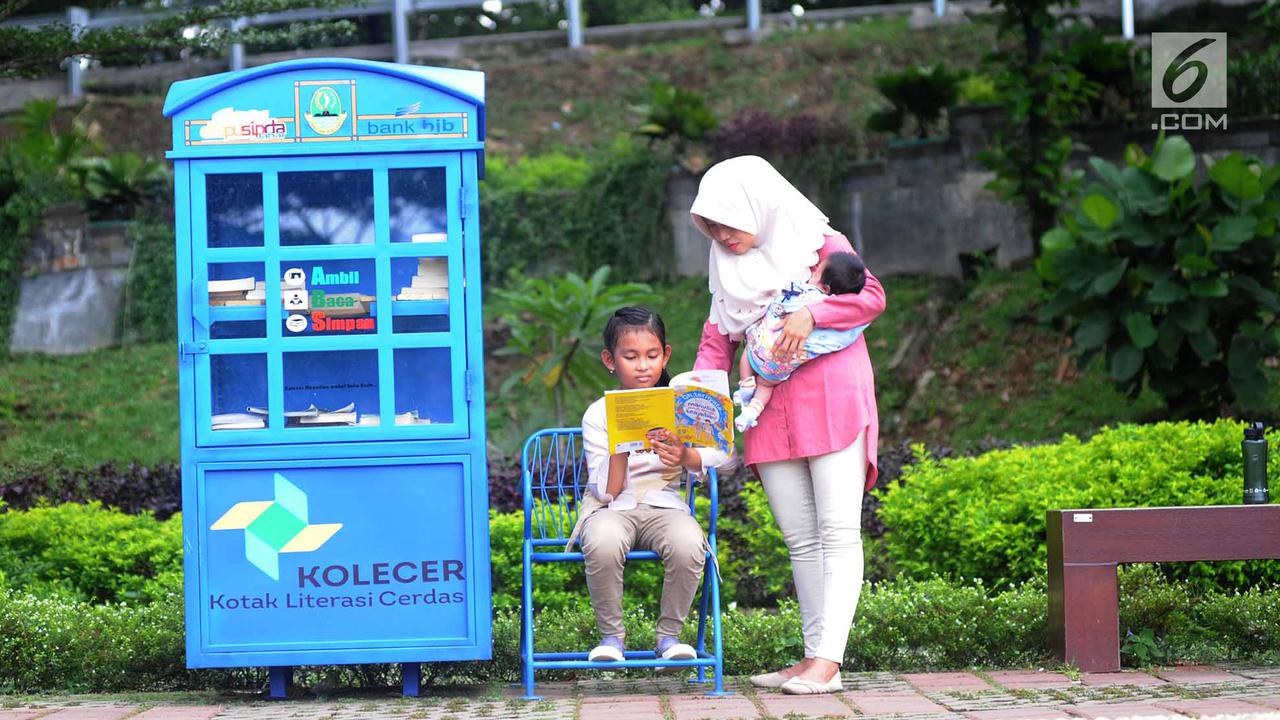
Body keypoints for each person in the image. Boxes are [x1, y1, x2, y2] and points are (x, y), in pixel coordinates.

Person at [690, 155, 885, 695]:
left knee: (839, 531)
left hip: (832, 399)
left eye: (729, 222)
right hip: (768, 410)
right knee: (800, 538)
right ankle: (811, 656)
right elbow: (716, 342)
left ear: (760, 205)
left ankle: (829, 661)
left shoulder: (818, 241)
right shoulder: (725, 271)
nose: (723, 236)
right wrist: (698, 406)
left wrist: (812, 313)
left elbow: (871, 295)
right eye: (711, 227)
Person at [570, 306, 730, 664]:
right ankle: (611, 638)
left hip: (665, 505)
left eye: (651, 355)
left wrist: (684, 457)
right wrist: (621, 450)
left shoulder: (681, 404)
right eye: (630, 356)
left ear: (665, 355)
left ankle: (669, 638)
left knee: (690, 544)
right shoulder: (598, 414)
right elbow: (605, 492)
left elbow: (723, 454)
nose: (643, 365)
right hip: (613, 507)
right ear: (610, 360)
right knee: (603, 541)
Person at [734, 251, 869, 432]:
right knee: (766, 385)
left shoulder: (808, 295)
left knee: (747, 353)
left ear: (827, 288)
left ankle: (745, 386)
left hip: (761, 346)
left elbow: (784, 301)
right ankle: (750, 412)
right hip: (778, 366)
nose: (811, 275)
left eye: (816, 273)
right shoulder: (838, 323)